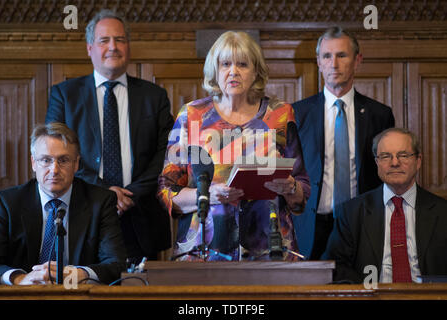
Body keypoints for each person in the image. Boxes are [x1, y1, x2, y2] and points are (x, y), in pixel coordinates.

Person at [158, 31, 310, 261]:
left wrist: (289, 187)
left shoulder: (279, 114)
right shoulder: (192, 115)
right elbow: (166, 191)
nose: (233, 71)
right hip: (204, 253)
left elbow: (302, 192)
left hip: (269, 249)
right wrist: (207, 193)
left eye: (242, 64)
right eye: (225, 64)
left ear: (256, 71)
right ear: (214, 70)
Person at [46, 10, 174, 263]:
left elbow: (166, 152)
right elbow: (56, 152)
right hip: (85, 213)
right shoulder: (64, 95)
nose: (113, 47)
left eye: (120, 40)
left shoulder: (154, 96)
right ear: (90, 48)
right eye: (105, 41)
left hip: (141, 217)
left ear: (128, 46)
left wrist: (128, 195)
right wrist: (106, 192)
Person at [292, 26, 395, 260]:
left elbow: (387, 174)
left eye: (342, 55)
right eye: (327, 56)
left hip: (363, 223)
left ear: (357, 60)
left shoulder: (379, 115)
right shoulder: (298, 113)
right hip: (312, 225)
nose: (333, 64)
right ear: (318, 61)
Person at [0, 123, 126, 285]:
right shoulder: (7, 202)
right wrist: (20, 279)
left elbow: (116, 264)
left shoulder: (100, 201)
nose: (54, 169)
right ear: (33, 163)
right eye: (46, 160)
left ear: (76, 164)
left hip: (78, 295)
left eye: (63, 160)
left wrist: (76, 275)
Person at [323, 128, 447, 283]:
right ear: (377, 163)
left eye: (403, 155)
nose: (395, 163)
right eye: (386, 156)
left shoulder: (443, 212)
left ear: (418, 161)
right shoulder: (351, 213)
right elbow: (336, 266)